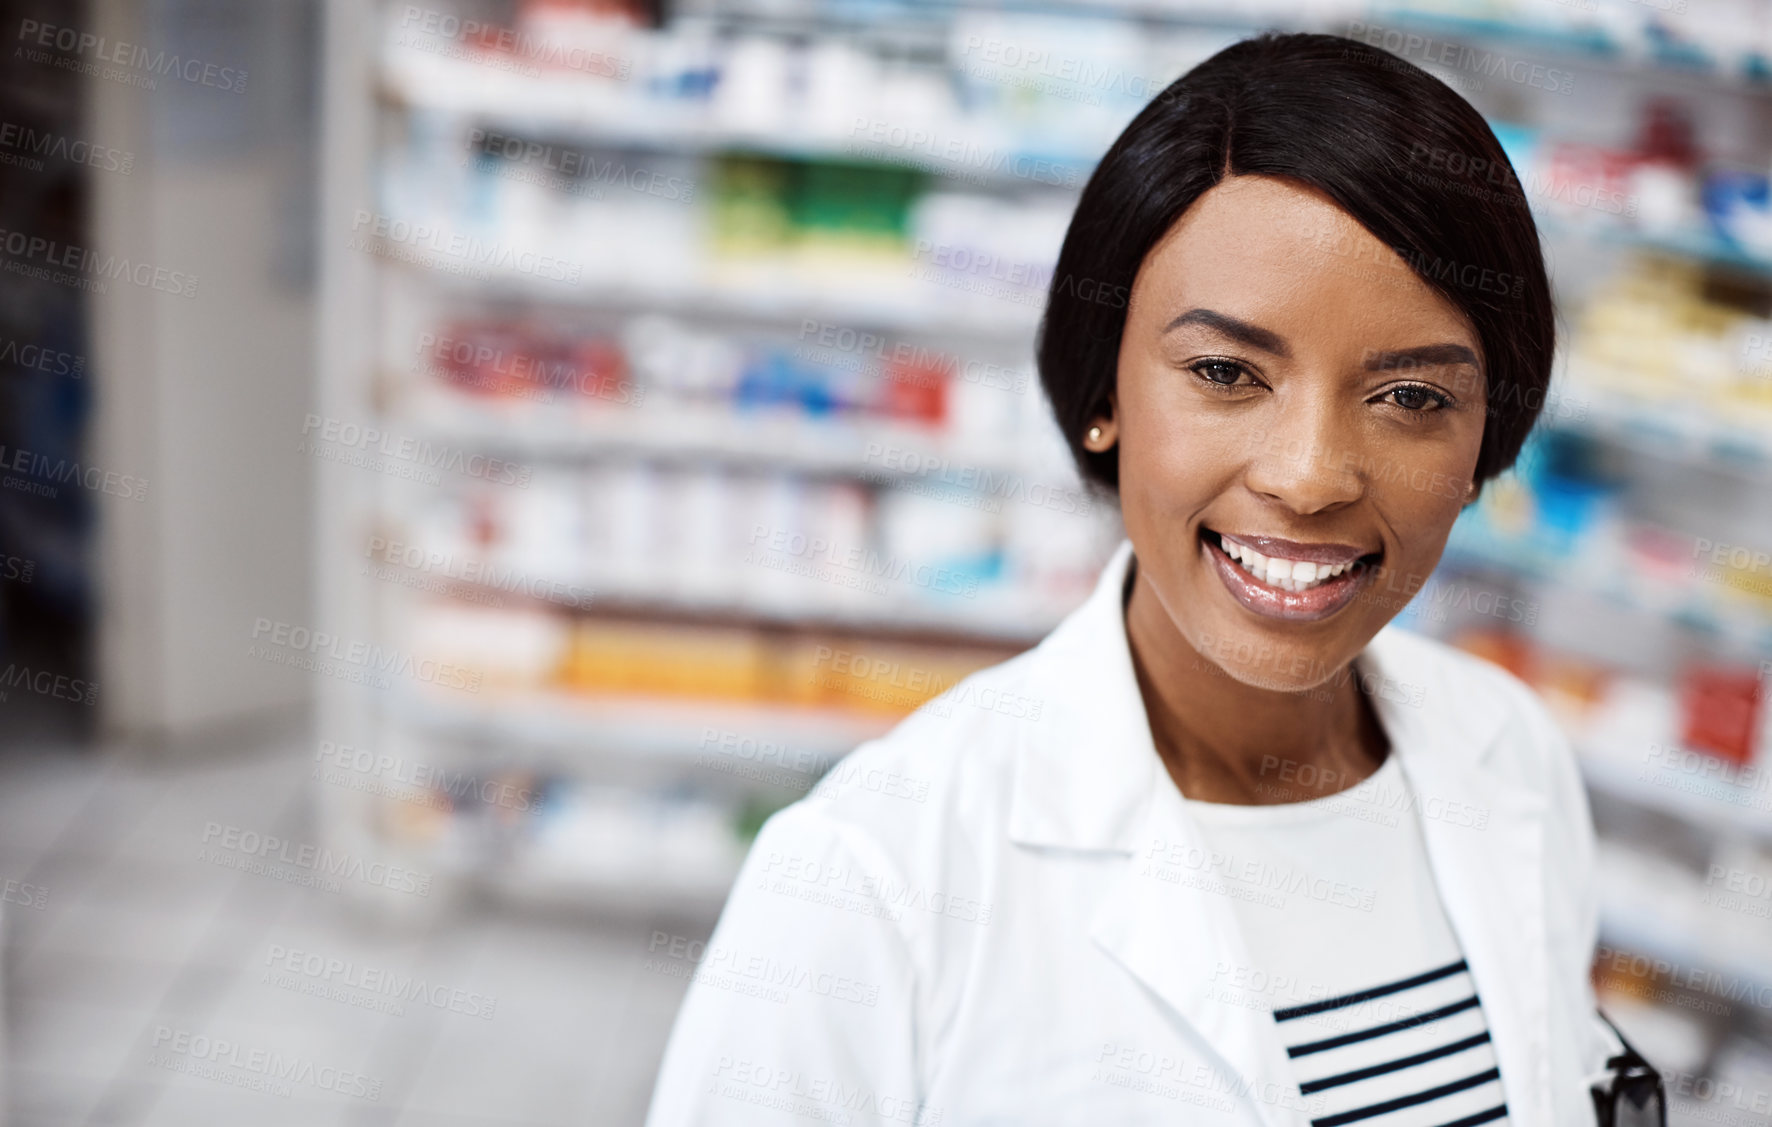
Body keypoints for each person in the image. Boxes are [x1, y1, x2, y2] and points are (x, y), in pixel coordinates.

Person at [647, 31, 1616, 1126]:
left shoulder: (1509, 751)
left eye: (1408, 397)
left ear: (1487, 440)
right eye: (1222, 372)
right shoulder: (871, 872)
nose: (1307, 479)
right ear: (1101, 388)